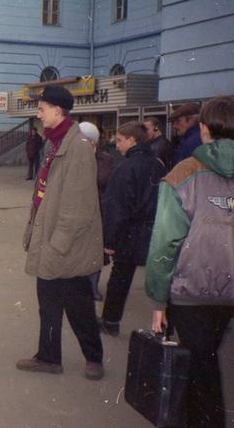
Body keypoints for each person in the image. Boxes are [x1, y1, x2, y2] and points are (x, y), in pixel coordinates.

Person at [147, 96, 234, 428]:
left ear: (204, 130)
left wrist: (158, 299)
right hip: (228, 291)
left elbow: (165, 244)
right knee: (206, 356)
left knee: (202, 366)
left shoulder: (182, 174)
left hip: (190, 291)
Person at [15, 85, 105, 380]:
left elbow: (79, 207)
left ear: (58, 110)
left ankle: (94, 358)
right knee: (49, 305)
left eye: (42, 109)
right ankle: (49, 357)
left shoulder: (77, 147)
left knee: (78, 305)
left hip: (65, 247)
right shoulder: (56, 143)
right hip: (50, 241)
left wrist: (57, 245)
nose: (38, 115)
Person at [98, 121, 166, 336]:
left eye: (120, 140)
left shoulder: (125, 168)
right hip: (155, 231)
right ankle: (164, 327)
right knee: (160, 282)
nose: (117, 145)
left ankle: (110, 321)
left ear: (132, 140)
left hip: (130, 232)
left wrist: (109, 241)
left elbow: (116, 207)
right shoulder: (158, 164)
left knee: (120, 279)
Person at [78, 122, 113, 301]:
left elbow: (107, 182)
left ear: (93, 142)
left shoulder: (105, 159)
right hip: (79, 211)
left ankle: (92, 287)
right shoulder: (73, 158)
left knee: (96, 252)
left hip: (100, 211)